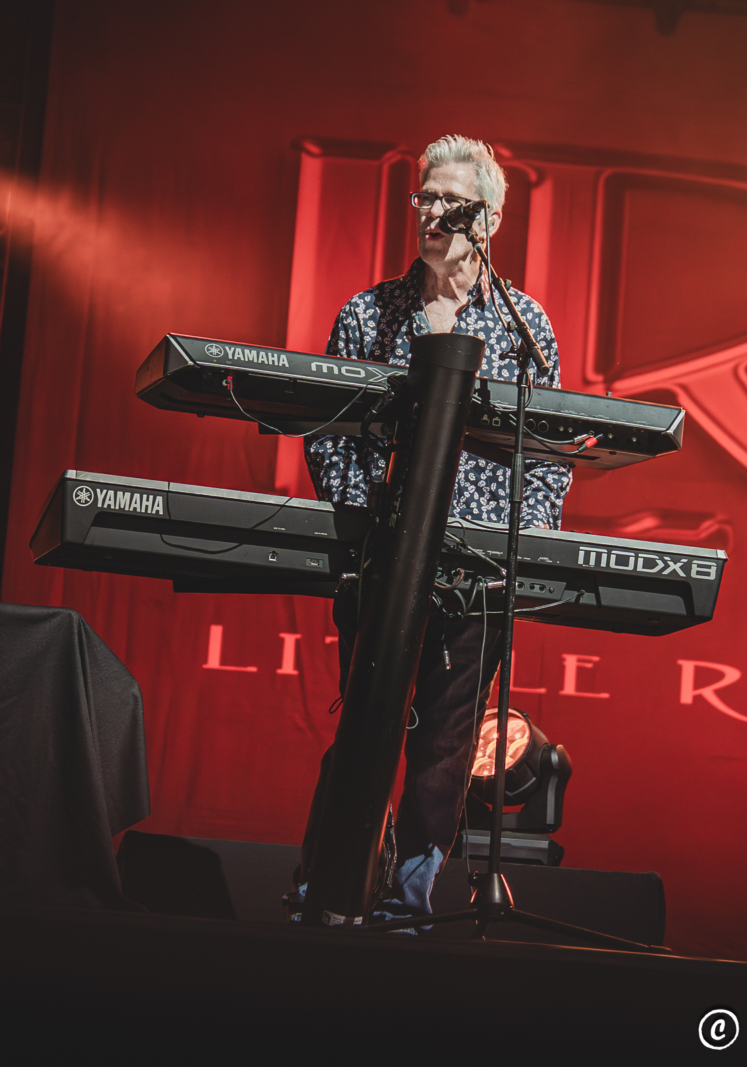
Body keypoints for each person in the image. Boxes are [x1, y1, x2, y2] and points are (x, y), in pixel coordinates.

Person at [294, 134, 572, 924]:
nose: (429, 214)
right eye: (422, 198)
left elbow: (549, 454)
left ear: (487, 219)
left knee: (446, 744)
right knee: (366, 725)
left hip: (479, 573)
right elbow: (332, 434)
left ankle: (408, 898)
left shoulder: (524, 328)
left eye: (447, 201)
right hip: (385, 563)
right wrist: (374, 526)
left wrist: (529, 542)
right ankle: (323, 883)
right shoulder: (369, 313)